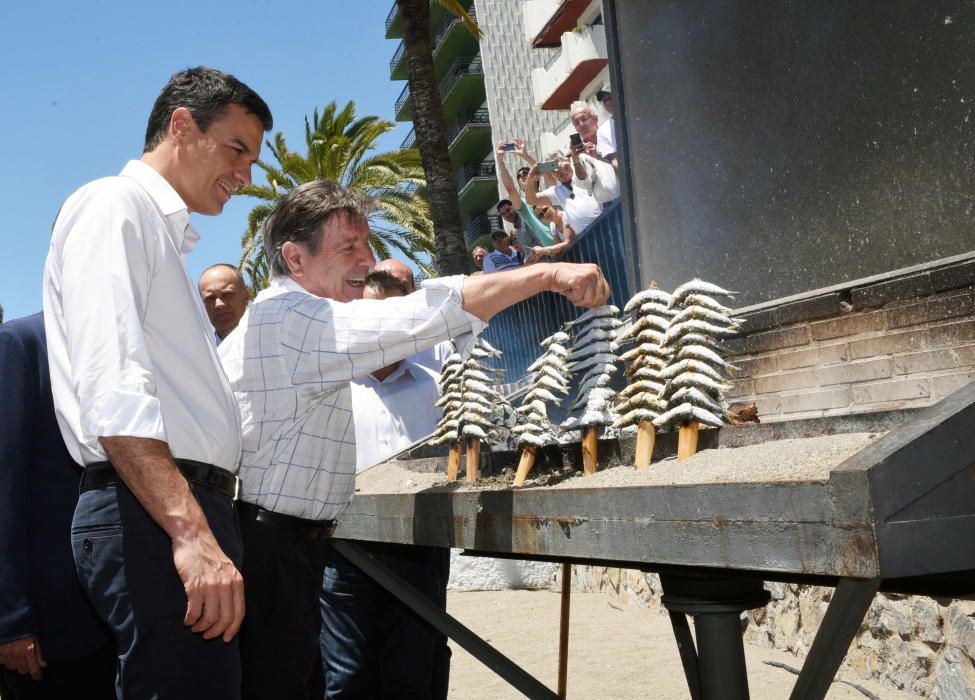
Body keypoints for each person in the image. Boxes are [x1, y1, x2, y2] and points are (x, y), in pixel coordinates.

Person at [217, 178, 610, 699]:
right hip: (274, 550)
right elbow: (414, 315)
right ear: (294, 258)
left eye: (368, 243)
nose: (368, 260)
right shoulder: (290, 320)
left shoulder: (295, 318)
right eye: (349, 246)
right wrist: (547, 273)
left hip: (295, 547)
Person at [42, 66, 272, 699]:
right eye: (236, 149)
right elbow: (113, 386)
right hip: (154, 518)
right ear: (181, 125)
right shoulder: (113, 206)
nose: (245, 176)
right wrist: (190, 532)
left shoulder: (161, 237)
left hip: (166, 514)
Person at [322, 265, 452, 699]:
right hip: (345, 551)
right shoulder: (328, 389)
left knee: (413, 667)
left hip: (420, 548)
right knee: (347, 675)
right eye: (369, 318)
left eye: (390, 317)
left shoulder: (434, 387)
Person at [0, 314, 115, 699]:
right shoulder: (23, 343)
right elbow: (5, 488)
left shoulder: (121, 351)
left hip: (115, 617)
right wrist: (11, 620)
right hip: (48, 627)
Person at [525, 152, 603, 236]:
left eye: (556, 165)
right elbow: (531, 200)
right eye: (552, 170)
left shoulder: (581, 172)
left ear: (566, 161)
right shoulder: (556, 191)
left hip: (604, 222)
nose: (556, 171)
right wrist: (530, 179)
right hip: (587, 237)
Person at [495, 140, 554, 247]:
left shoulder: (550, 193)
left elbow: (547, 173)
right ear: (520, 188)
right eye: (519, 176)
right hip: (553, 251)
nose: (523, 175)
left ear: (536, 178)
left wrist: (525, 156)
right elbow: (510, 189)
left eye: (527, 173)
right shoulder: (524, 206)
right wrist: (500, 161)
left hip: (572, 239)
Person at [199, 263, 250, 342]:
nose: (219, 304)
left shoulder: (272, 341)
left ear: (246, 296)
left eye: (227, 294)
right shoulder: (197, 352)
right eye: (210, 298)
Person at [595, 84, 619, 169]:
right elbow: (615, 162)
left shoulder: (637, 116)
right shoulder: (603, 131)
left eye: (609, 97)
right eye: (604, 100)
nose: (607, 102)